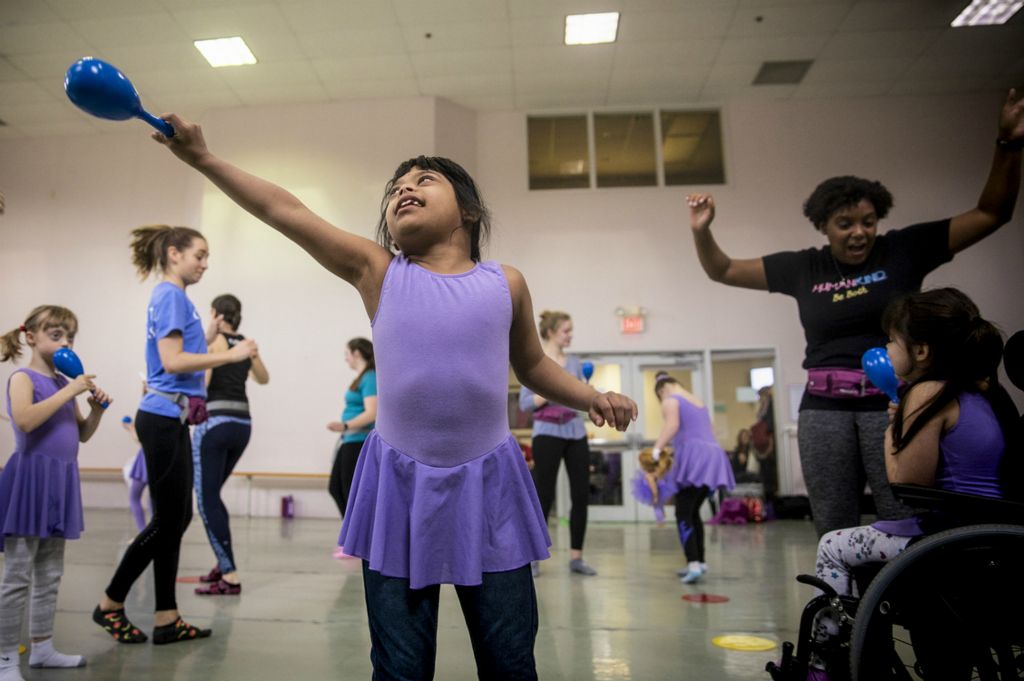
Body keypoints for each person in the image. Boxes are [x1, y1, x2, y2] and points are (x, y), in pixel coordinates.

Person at [150, 113, 637, 680]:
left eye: (424, 179)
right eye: (396, 187)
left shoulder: (506, 283)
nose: (405, 187)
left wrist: (590, 395)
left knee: (509, 661)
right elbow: (284, 211)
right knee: (400, 667)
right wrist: (204, 159)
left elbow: (530, 364)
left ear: (470, 211)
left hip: (492, 486)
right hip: (398, 489)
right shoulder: (379, 271)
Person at [687, 89, 1023, 536]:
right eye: (845, 224)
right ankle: (842, 605)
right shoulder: (804, 266)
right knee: (833, 521)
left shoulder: (903, 250)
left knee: (901, 512)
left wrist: (1008, 144)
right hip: (824, 410)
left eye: (868, 221)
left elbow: (991, 213)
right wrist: (702, 233)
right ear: (823, 227)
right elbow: (723, 269)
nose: (860, 233)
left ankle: (897, 603)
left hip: (893, 401)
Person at [810, 288, 1017, 675]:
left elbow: (905, 482)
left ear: (921, 351)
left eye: (891, 339)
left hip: (948, 540)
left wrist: (894, 425)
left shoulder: (927, 393)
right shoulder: (984, 390)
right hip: (988, 536)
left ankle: (827, 665)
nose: (886, 350)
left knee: (833, 545)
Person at [93, 226, 257, 645]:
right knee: (171, 518)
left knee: (176, 518)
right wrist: (230, 353)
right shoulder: (169, 296)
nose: (204, 263)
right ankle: (110, 603)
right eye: (199, 255)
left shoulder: (177, 299)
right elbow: (171, 361)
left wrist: (207, 334)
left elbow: (178, 350)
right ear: (173, 253)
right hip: (162, 418)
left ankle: (166, 617)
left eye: (207, 257)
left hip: (173, 418)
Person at [0, 306, 111, 681]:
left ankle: (43, 647)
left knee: (50, 572)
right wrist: (72, 391)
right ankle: (4, 659)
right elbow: (27, 420)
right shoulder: (23, 378)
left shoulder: (66, 384)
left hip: (59, 481)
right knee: (17, 574)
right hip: (30, 480)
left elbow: (81, 434)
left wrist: (95, 410)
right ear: (31, 336)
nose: (65, 342)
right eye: (56, 334)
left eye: (69, 336)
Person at [193, 294, 269, 595]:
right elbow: (264, 378)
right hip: (242, 425)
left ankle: (230, 574)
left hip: (215, 424)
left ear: (215, 313)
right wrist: (252, 354)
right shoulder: (245, 343)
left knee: (205, 498)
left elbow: (204, 383)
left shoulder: (216, 343)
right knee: (213, 494)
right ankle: (221, 561)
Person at [518, 311, 598, 577]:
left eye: (571, 330)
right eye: (566, 330)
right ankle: (534, 558)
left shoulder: (575, 362)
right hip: (547, 433)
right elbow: (525, 404)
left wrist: (586, 392)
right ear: (551, 332)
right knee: (544, 495)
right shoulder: (535, 361)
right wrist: (552, 390)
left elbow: (578, 398)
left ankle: (577, 557)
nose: (570, 335)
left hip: (575, 432)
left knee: (581, 495)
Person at [651, 373, 736, 584]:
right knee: (693, 511)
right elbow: (710, 431)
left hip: (694, 458)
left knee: (682, 512)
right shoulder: (698, 402)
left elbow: (671, 426)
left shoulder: (671, 400)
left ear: (662, 391)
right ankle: (700, 560)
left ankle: (693, 563)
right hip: (712, 457)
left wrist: (657, 448)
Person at [326, 337, 376, 559]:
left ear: (357, 352)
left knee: (348, 490)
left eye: (347, 353)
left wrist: (345, 425)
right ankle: (352, 539)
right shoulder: (362, 378)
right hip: (349, 439)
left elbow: (372, 412)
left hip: (359, 440)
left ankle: (356, 542)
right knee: (336, 487)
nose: (345, 358)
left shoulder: (371, 377)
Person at [631, 446, 674, 524]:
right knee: (659, 504)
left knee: (656, 506)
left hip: (653, 491)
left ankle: (660, 521)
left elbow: (653, 486)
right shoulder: (659, 471)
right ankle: (662, 515)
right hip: (662, 488)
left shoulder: (649, 476)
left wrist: (655, 496)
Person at [121, 415, 149, 532]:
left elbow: (142, 440)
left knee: (134, 497)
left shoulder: (149, 410)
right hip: (156, 459)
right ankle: (153, 534)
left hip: (146, 460)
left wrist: (131, 428)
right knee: (153, 500)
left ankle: (143, 532)